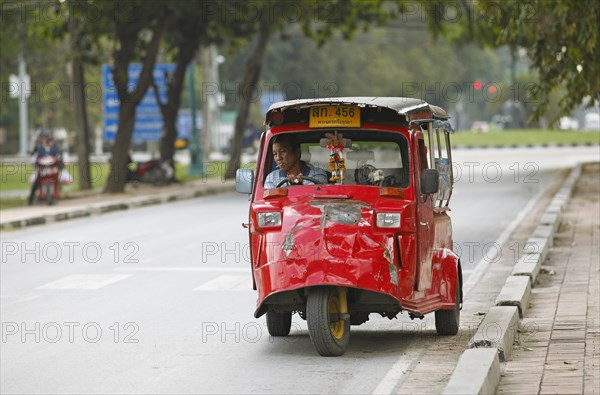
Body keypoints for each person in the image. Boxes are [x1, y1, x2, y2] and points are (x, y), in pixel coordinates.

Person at [264, 134, 328, 188]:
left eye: (283, 151)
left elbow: (318, 198)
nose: (278, 158)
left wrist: (298, 188)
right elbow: (270, 201)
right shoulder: (271, 178)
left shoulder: (317, 174)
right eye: (275, 154)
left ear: (297, 153)